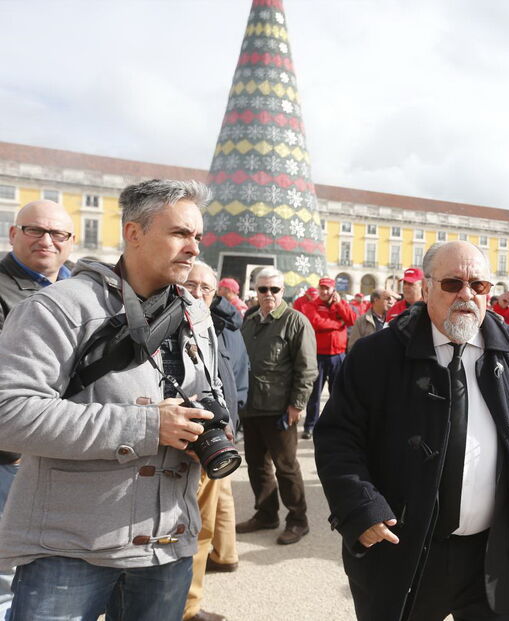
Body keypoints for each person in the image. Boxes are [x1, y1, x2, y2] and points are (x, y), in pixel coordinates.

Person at [0, 180, 222, 619]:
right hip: (70, 548)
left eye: (198, 237)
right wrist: (147, 426)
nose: (194, 248)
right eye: (180, 233)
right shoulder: (58, 307)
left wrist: (212, 425)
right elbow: (11, 413)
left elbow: (207, 393)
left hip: (167, 546)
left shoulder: (196, 312)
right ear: (133, 233)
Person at [314, 241, 509, 621]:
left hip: (493, 554)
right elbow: (337, 438)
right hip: (404, 552)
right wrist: (360, 508)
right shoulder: (376, 355)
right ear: (427, 287)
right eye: (453, 284)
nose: (467, 295)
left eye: (479, 286)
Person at [0, 199, 75, 616]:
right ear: (13, 234)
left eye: (58, 234)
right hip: (13, 451)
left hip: (67, 443)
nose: (47, 241)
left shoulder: (79, 286)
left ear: (70, 242)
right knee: (7, 569)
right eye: (35, 230)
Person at [181, 261, 248, 621]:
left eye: (205, 288)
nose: (196, 293)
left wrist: (232, 426)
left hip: (216, 445)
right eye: (190, 285)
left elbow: (239, 379)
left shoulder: (221, 329)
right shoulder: (165, 325)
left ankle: (190, 606)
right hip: (178, 448)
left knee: (203, 530)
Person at [237, 267, 317, 546]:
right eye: (263, 289)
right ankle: (266, 514)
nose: (269, 294)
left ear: (284, 292)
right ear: (255, 291)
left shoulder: (296, 321)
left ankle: (298, 520)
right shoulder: (248, 318)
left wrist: (296, 405)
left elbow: (307, 369)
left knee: (286, 467)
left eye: (275, 289)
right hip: (250, 406)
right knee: (256, 464)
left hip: (279, 409)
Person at [298, 277, 355, 439]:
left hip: (338, 355)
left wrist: (338, 305)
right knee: (314, 394)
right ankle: (310, 425)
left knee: (338, 393)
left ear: (333, 290)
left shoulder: (341, 304)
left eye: (327, 289)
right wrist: (338, 324)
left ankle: (337, 425)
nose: (324, 291)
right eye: (321, 288)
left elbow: (351, 320)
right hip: (318, 355)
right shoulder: (311, 305)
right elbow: (317, 323)